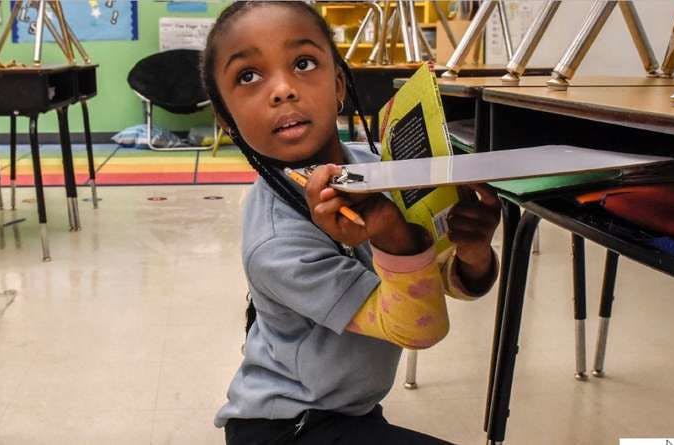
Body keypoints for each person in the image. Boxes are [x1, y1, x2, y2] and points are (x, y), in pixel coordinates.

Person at [202, 2, 502, 443]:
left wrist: (473, 253)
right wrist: (392, 234)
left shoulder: (376, 167)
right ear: (227, 121)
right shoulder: (275, 241)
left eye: (303, 63)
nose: (283, 89)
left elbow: (438, 280)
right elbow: (419, 326)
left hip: (352, 412)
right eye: (249, 76)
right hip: (283, 428)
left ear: (339, 84)